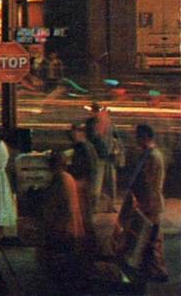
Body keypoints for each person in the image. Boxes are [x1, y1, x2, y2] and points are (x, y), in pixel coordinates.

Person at [117, 124, 168, 282]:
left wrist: (142, 205)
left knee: (150, 240)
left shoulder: (152, 156)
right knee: (149, 240)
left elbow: (149, 184)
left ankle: (157, 272)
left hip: (150, 205)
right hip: (148, 204)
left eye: (138, 136)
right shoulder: (148, 154)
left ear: (145, 136)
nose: (136, 140)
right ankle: (152, 270)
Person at [40, 151, 85, 288]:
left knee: (58, 264)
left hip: (62, 229)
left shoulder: (59, 180)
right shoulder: (69, 178)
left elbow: (52, 206)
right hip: (71, 228)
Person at [68, 123, 100, 245]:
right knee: (86, 215)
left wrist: (77, 179)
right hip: (88, 183)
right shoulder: (88, 146)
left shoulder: (81, 147)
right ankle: (90, 243)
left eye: (74, 132)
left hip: (83, 184)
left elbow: (82, 167)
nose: (72, 135)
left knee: (83, 215)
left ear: (81, 133)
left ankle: (87, 243)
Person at [86, 102, 120, 211]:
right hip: (104, 155)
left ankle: (96, 206)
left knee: (98, 182)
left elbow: (93, 138)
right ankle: (108, 205)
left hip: (101, 155)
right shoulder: (107, 122)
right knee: (108, 182)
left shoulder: (93, 123)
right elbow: (116, 137)